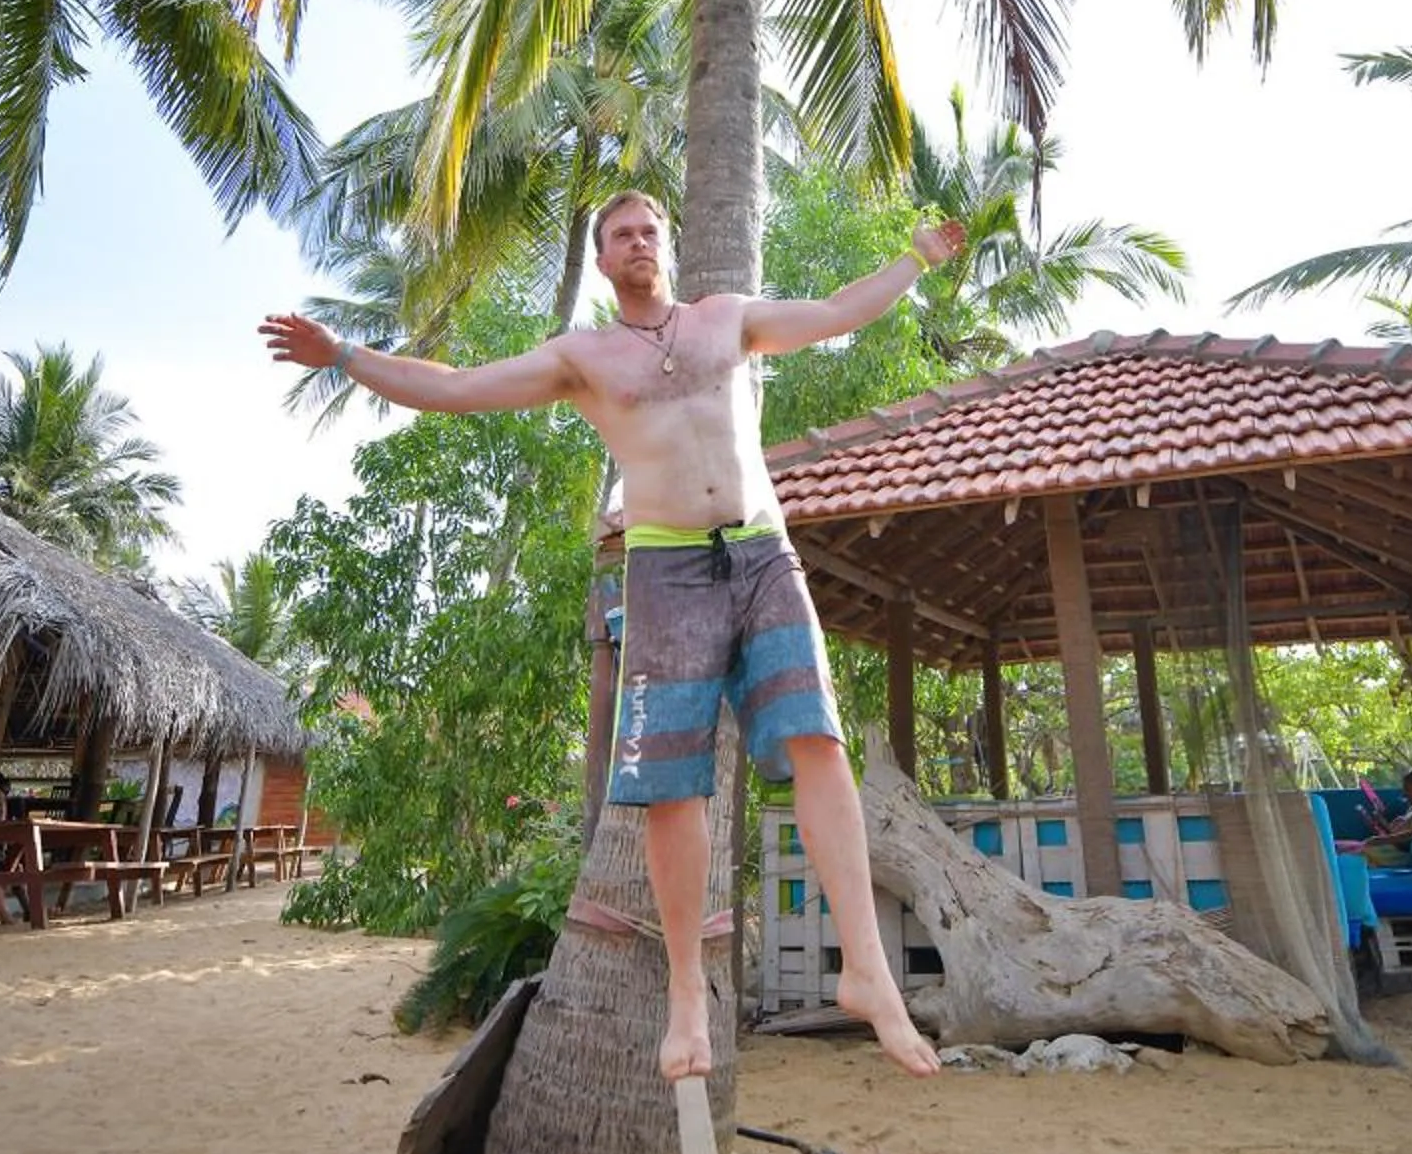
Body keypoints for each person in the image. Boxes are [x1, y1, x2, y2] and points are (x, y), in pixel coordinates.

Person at [261, 192, 963, 1083]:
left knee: (817, 741)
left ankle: (865, 969)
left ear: (669, 244)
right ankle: (685, 997)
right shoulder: (583, 357)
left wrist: (914, 259)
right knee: (672, 789)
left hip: (761, 552)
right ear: (601, 259)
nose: (639, 241)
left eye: (650, 230)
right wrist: (344, 356)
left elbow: (834, 311)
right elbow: (457, 389)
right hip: (665, 569)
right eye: (622, 234)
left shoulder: (725, 320)